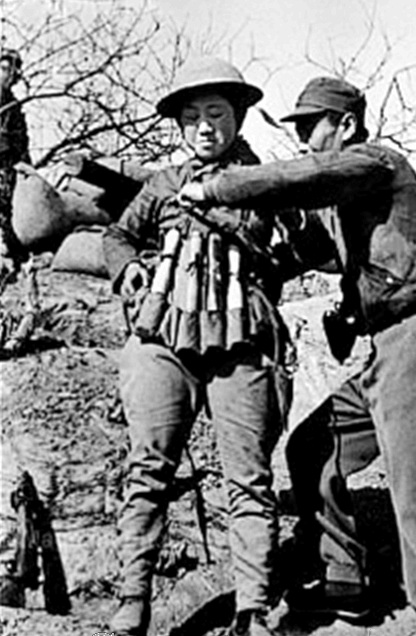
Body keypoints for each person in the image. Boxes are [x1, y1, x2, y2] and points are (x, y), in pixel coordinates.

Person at [178, 77, 416, 635]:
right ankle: (346, 581)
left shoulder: (374, 164)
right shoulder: (343, 210)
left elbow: (305, 178)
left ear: (345, 125)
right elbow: (289, 255)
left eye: (310, 127)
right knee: (316, 446)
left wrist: (218, 188)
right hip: (387, 350)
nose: (304, 142)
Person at [102, 57, 291, 636]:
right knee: (148, 469)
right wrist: (129, 268)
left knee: (248, 478)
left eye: (216, 113)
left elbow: (305, 243)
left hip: (240, 340)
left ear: (238, 117)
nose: (205, 126)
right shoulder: (162, 184)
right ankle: (132, 600)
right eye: (192, 117)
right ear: (180, 126)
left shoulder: (267, 181)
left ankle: (253, 609)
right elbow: (118, 235)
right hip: (165, 336)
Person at [0, 47, 30, 285]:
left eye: (12, 69)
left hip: (8, 166)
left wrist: (25, 168)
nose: (8, 74)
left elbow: (21, 142)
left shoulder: (14, 107)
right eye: (3, 68)